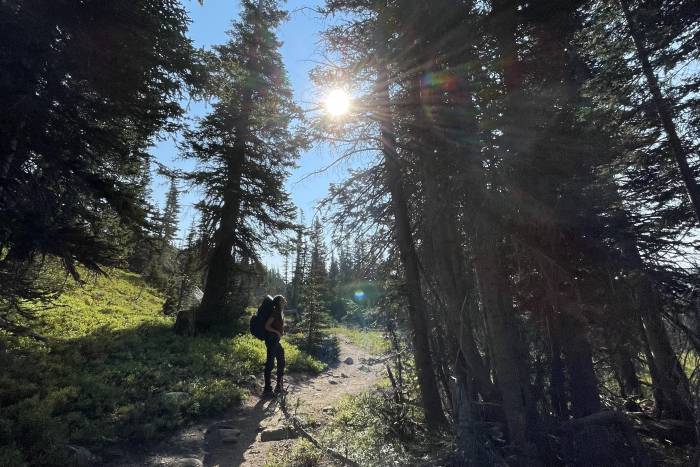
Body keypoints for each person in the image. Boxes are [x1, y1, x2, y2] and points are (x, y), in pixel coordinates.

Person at [262, 295, 286, 397]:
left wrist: (279, 332)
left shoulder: (280, 312)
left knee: (281, 360)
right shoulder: (275, 312)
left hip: (275, 340)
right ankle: (267, 390)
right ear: (279, 302)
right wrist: (277, 332)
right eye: (283, 299)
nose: (285, 300)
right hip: (272, 340)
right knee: (270, 363)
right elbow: (267, 326)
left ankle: (278, 387)